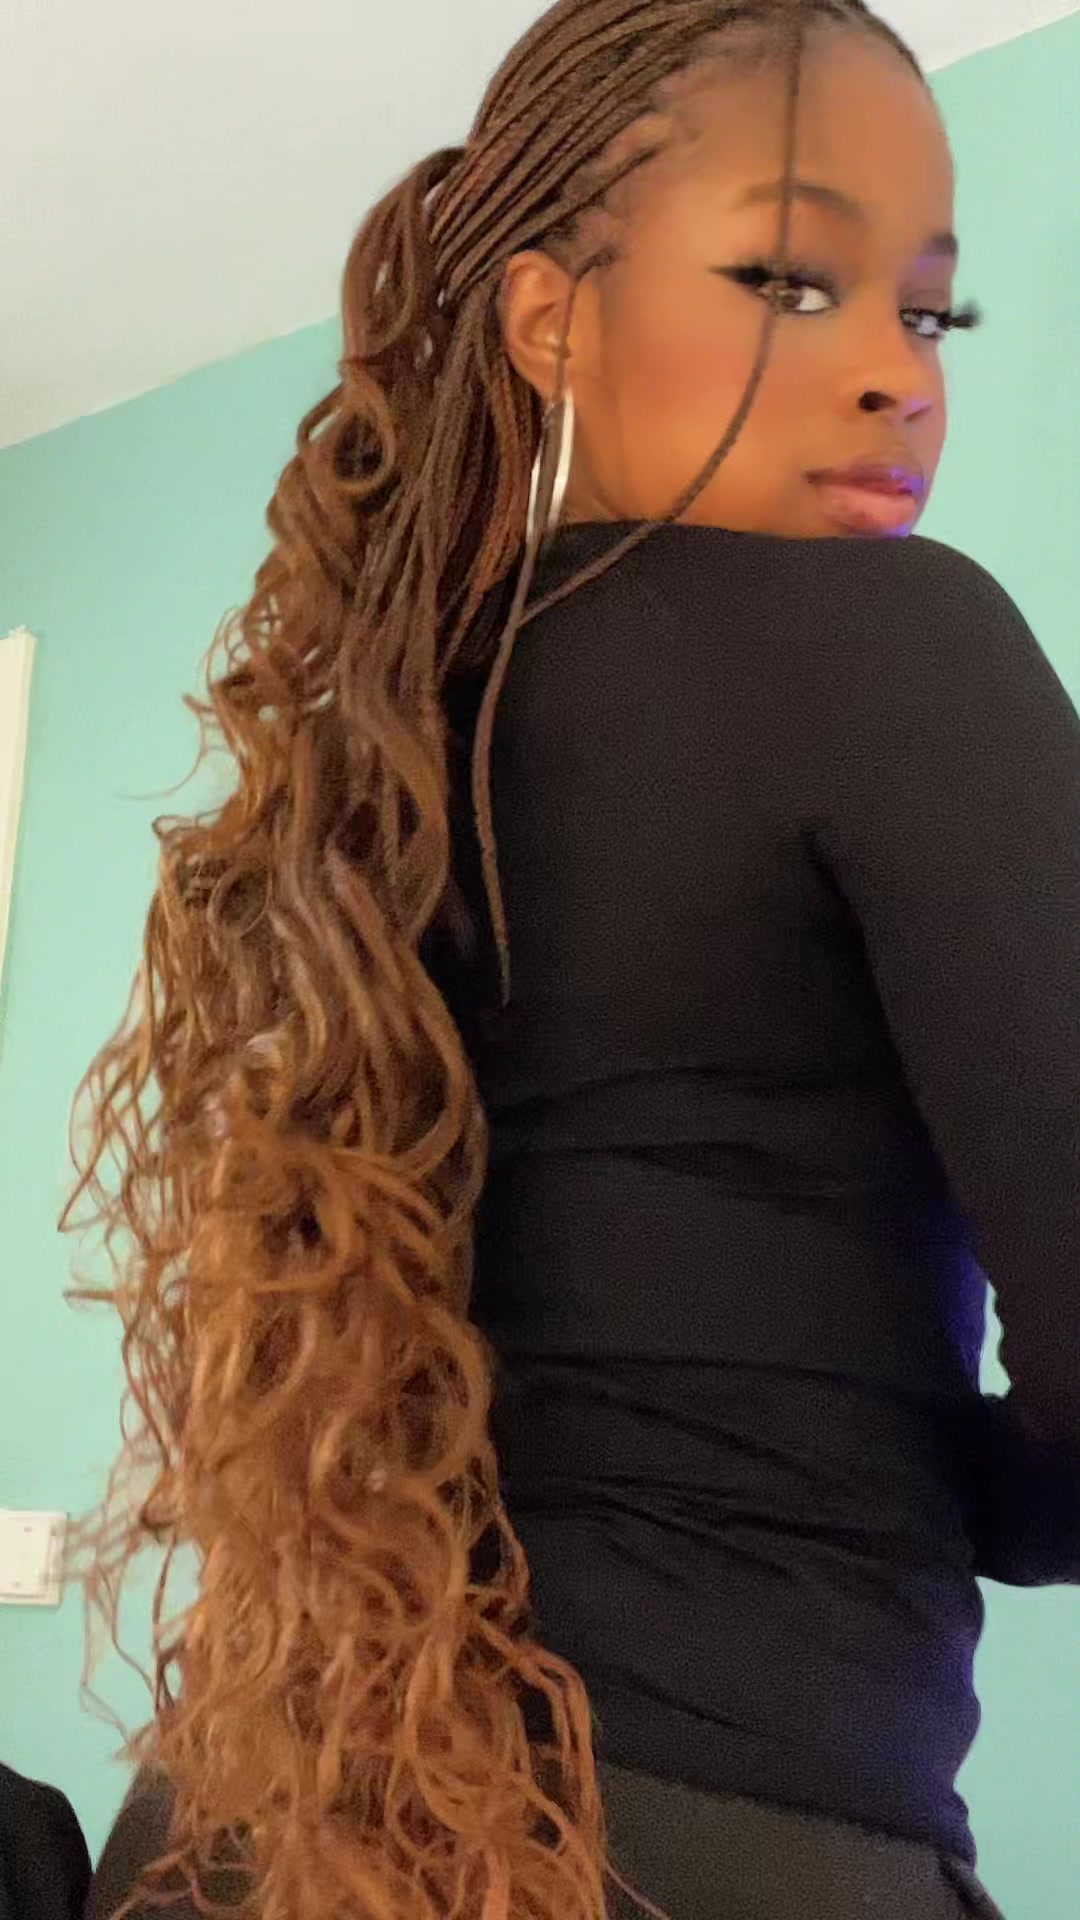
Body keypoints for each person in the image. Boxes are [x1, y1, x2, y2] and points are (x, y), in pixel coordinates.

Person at [68, 2, 1080, 1918]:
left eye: (930, 312)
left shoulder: (383, 751)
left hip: (243, 1826)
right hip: (686, 1846)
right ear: (551, 321)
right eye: (791, 282)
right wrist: (964, 1487)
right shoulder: (895, 643)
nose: (896, 373)